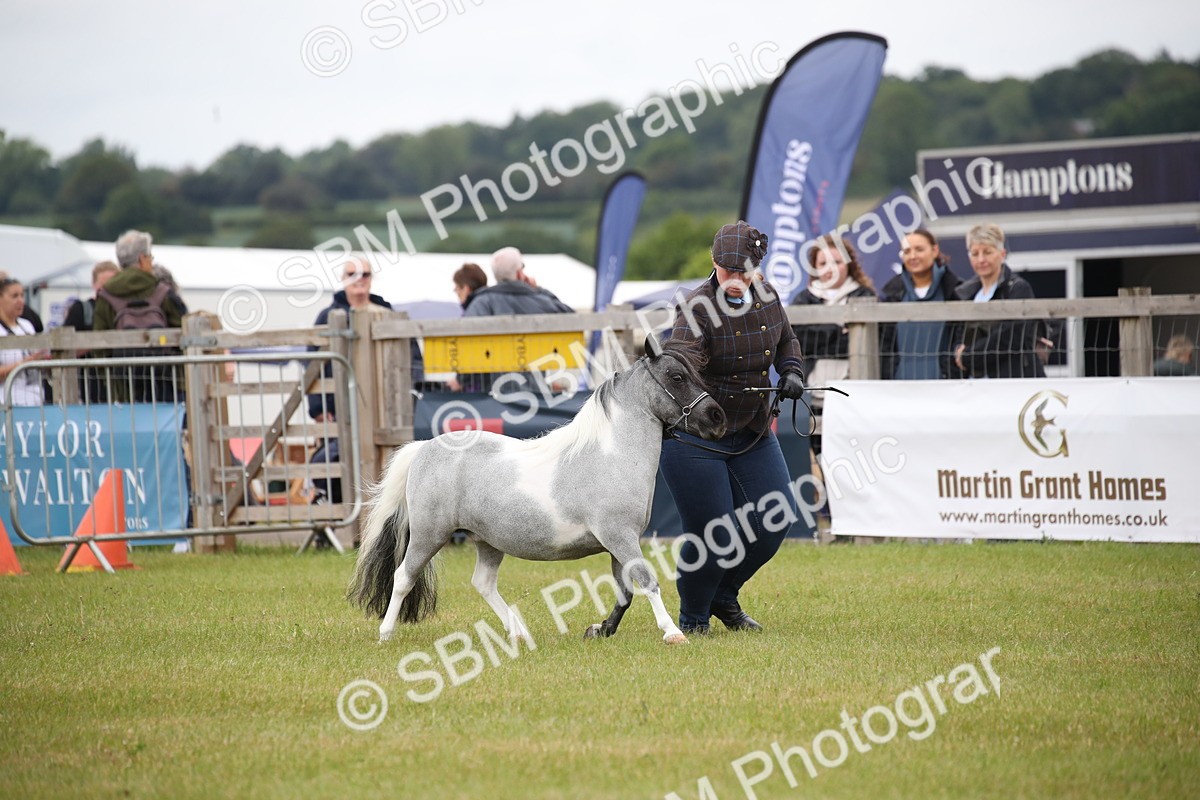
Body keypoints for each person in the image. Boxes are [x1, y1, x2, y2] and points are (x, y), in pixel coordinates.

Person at [659, 220, 807, 635]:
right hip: (694, 437)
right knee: (713, 533)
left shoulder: (769, 297)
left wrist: (791, 370)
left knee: (777, 520)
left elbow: (786, 342)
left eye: (744, 271)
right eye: (728, 271)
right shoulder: (694, 307)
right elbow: (680, 365)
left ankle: (725, 595)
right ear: (713, 262)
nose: (736, 280)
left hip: (753, 431)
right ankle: (693, 618)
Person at [307, 259, 424, 528]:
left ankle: (392, 523)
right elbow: (313, 364)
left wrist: (413, 397)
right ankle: (346, 522)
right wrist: (318, 407)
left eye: (365, 274)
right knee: (337, 460)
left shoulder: (387, 312)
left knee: (389, 461)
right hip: (342, 407)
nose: (359, 279)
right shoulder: (328, 317)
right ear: (342, 278)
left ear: (372, 278)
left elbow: (413, 358)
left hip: (387, 406)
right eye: (352, 274)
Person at [789, 234, 875, 457]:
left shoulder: (865, 295)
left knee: (851, 456)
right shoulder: (804, 299)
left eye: (837, 262)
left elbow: (868, 344)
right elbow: (800, 341)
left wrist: (820, 335)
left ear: (849, 263)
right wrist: (838, 330)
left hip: (853, 394)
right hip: (813, 394)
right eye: (823, 263)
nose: (831, 269)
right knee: (820, 458)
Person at [459, 246, 573, 393]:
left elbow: (465, 346)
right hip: (535, 393)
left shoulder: (481, 302)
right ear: (520, 273)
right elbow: (569, 316)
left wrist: (463, 381)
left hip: (492, 394)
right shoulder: (539, 300)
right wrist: (538, 290)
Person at [93, 230, 187, 401]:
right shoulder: (163, 291)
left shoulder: (106, 296)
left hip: (124, 387)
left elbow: (99, 343)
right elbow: (184, 332)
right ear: (142, 259)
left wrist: (112, 384)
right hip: (165, 385)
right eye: (150, 257)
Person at [951, 224, 1046, 379]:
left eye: (987, 252)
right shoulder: (964, 293)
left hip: (1014, 379)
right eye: (975, 253)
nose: (981, 259)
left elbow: (1012, 337)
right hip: (975, 385)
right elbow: (958, 338)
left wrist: (968, 356)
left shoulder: (1018, 288)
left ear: (1002, 254)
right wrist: (958, 353)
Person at [880, 229, 962, 380]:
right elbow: (884, 345)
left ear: (935, 250)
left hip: (947, 387)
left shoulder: (956, 292)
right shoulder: (891, 295)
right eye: (907, 251)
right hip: (899, 388)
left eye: (919, 249)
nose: (913, 256)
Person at [63, 261, 120, 402]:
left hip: (122, 384)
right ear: (94, 284)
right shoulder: (81, 310)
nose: (107, 289)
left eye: (112, 283)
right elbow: (64, 349)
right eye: (103, 284)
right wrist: (98, 343)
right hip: (90, 389)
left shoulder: (125, 311)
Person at [0, 277, 50, 406]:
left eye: (22, 295)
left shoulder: (27, 325)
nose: (20, 301)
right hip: (6, 402)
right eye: (14, 296)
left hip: (34, 400)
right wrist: (24, 363)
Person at [446, 263, 489, 393]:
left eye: (457, 288)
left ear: (466, 288)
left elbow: (473, 350)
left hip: (478, 387)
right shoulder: (490, 304)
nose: (456, 292)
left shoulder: (474, 310)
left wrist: (461, 380)